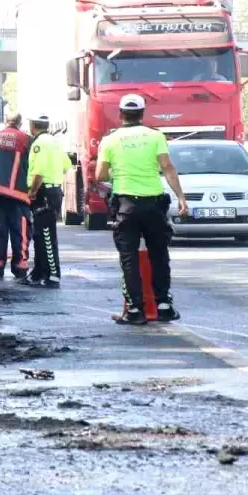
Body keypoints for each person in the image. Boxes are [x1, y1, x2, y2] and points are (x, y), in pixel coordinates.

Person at [95, 94, 190, 324]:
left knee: (129, 259)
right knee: (159, 255)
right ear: (143, 113)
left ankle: (135, 311)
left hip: (126, 205)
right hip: (154, 204)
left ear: (120, 115)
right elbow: (167, 167)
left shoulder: (110, 140)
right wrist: (181, 197)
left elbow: (100, 175)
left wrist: (117, 171)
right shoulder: (155, 136)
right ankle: (164, 305)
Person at [0, 111, 32, 281]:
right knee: (21, 231)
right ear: (19, 123)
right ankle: (20, 266)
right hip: (18, 194)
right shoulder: (26, 139)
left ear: (6, 121)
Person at [25, 113, 72, 288]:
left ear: (32, 126)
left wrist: (33, 190)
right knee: (40, 234)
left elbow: (39, 171)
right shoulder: (54, 142)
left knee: (46, 235)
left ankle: (53, 274)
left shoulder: (39, 143)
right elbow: (66, 165)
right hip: (53, 190)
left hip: (43, 191)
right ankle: (38, 272)